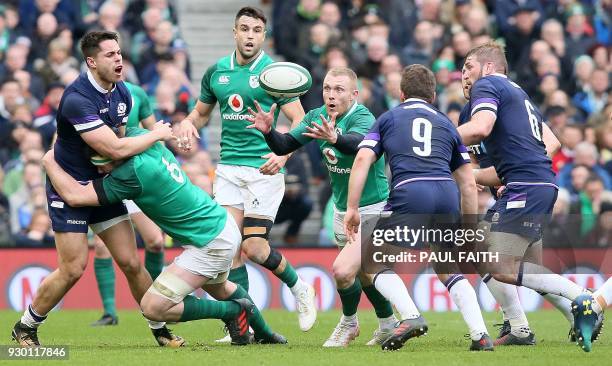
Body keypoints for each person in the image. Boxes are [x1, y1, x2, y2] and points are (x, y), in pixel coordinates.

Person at [10, 31, 180, 348]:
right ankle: (26, 326)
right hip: (68, 187)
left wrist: (112, 165)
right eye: (110, 55)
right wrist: (156, 134)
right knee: (73, 268)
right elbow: (114, 147)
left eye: (119, 53)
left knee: (131, 262)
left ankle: (160, 331)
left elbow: (113, 148)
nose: (119, 59)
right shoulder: (77, 99)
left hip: (101, 188)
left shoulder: (123, 94)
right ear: (92, 61)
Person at [41, 127, 288, 345]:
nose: (98, 168)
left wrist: (50, 163)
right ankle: (265, 333)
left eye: (102, 162)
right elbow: (129, 133)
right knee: (221, 287)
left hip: (210, 242)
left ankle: (232, 312)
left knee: (153, 307)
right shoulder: (142, 139)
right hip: (220, 226)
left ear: (117, 156)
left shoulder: (131, 174)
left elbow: (76, 196)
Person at [174, 6, 316, 334]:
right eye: (244, 29)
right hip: (227, 169)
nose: (250, 35)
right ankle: (243, 325)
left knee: (253, 248)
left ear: (264, 36)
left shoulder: (275, 74)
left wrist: (283, 156)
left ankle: (299, 288)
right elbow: (201, 112)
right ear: (234, 33)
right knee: (229, 249)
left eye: (256, 30)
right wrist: (187, 123)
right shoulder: (217, 72)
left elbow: (300, 119)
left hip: (264, 170)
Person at [456, 41, 595, 351]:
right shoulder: (518, 95)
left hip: (526, 188)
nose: (463, 74)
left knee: (499, 265)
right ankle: (535, 326)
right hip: (533, 185)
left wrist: (442, 136)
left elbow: (481, 127)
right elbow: (552, 142)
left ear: (489, 68)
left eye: (468, 66)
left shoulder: (489, 86)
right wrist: (515, 170)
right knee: (527, 271)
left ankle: (584, 301)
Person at [247, 67, 400, 347]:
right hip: (342, 208)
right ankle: (388, 322)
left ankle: (349, 323)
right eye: (327, 88)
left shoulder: (364, 117)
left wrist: (335, 139)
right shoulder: (316, 116)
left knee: (344, 271)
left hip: (372, 207)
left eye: (339, 89)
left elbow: (359, 145)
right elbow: (285, 146)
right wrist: (269, 132)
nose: (331, 95)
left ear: (355, 94)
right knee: (363, 273)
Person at [345, 64, 493, 351]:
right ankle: (481, 335)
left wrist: (352, 207)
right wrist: (470, 227)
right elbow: (466, 181)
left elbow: (363, 160)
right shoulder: (446, 124)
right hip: (446, 192)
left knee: (371, 260)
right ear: (433, 95)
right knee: (447, 265)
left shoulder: (388, 118)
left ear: (401, 94)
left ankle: (410, 316)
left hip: (411, 190)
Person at [91, 80, 166, 326]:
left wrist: (165, 161)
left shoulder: (137, 94)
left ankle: (159, 305)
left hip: (133, 176)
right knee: (103, 248)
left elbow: (154, 131)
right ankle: (109, 312)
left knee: (155, 241)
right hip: (106, 176)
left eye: (118, 56)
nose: (116, 62)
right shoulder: (86, 95)